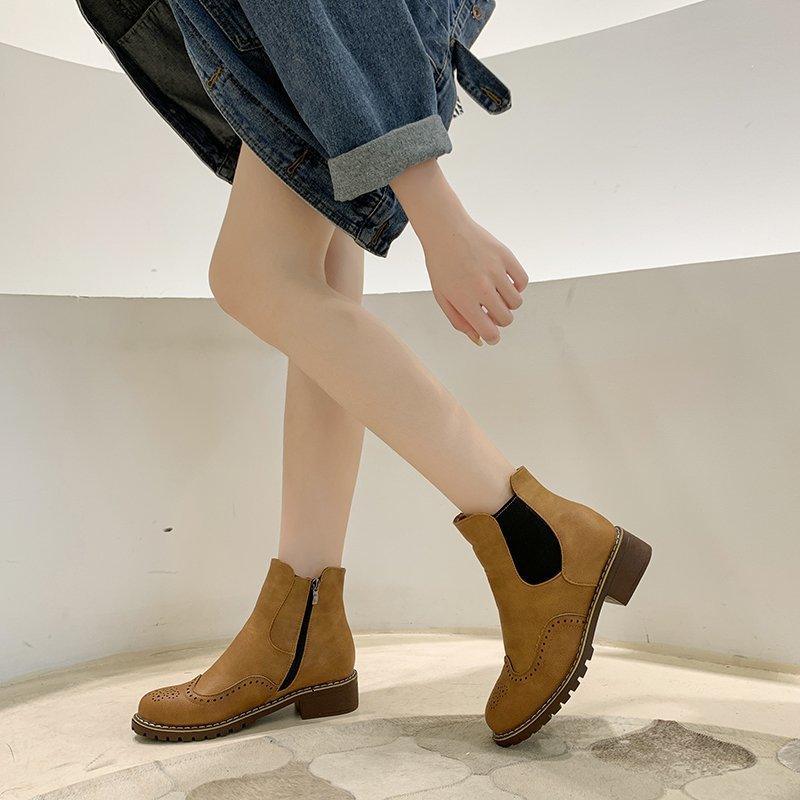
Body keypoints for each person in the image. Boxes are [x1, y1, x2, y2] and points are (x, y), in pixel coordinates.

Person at [76, 0, 652, 747]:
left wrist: (431, 201)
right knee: (316, 281)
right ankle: (305, 621)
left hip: (326, 29)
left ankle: (541, 540)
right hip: (297, 43)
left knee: (252, 275)